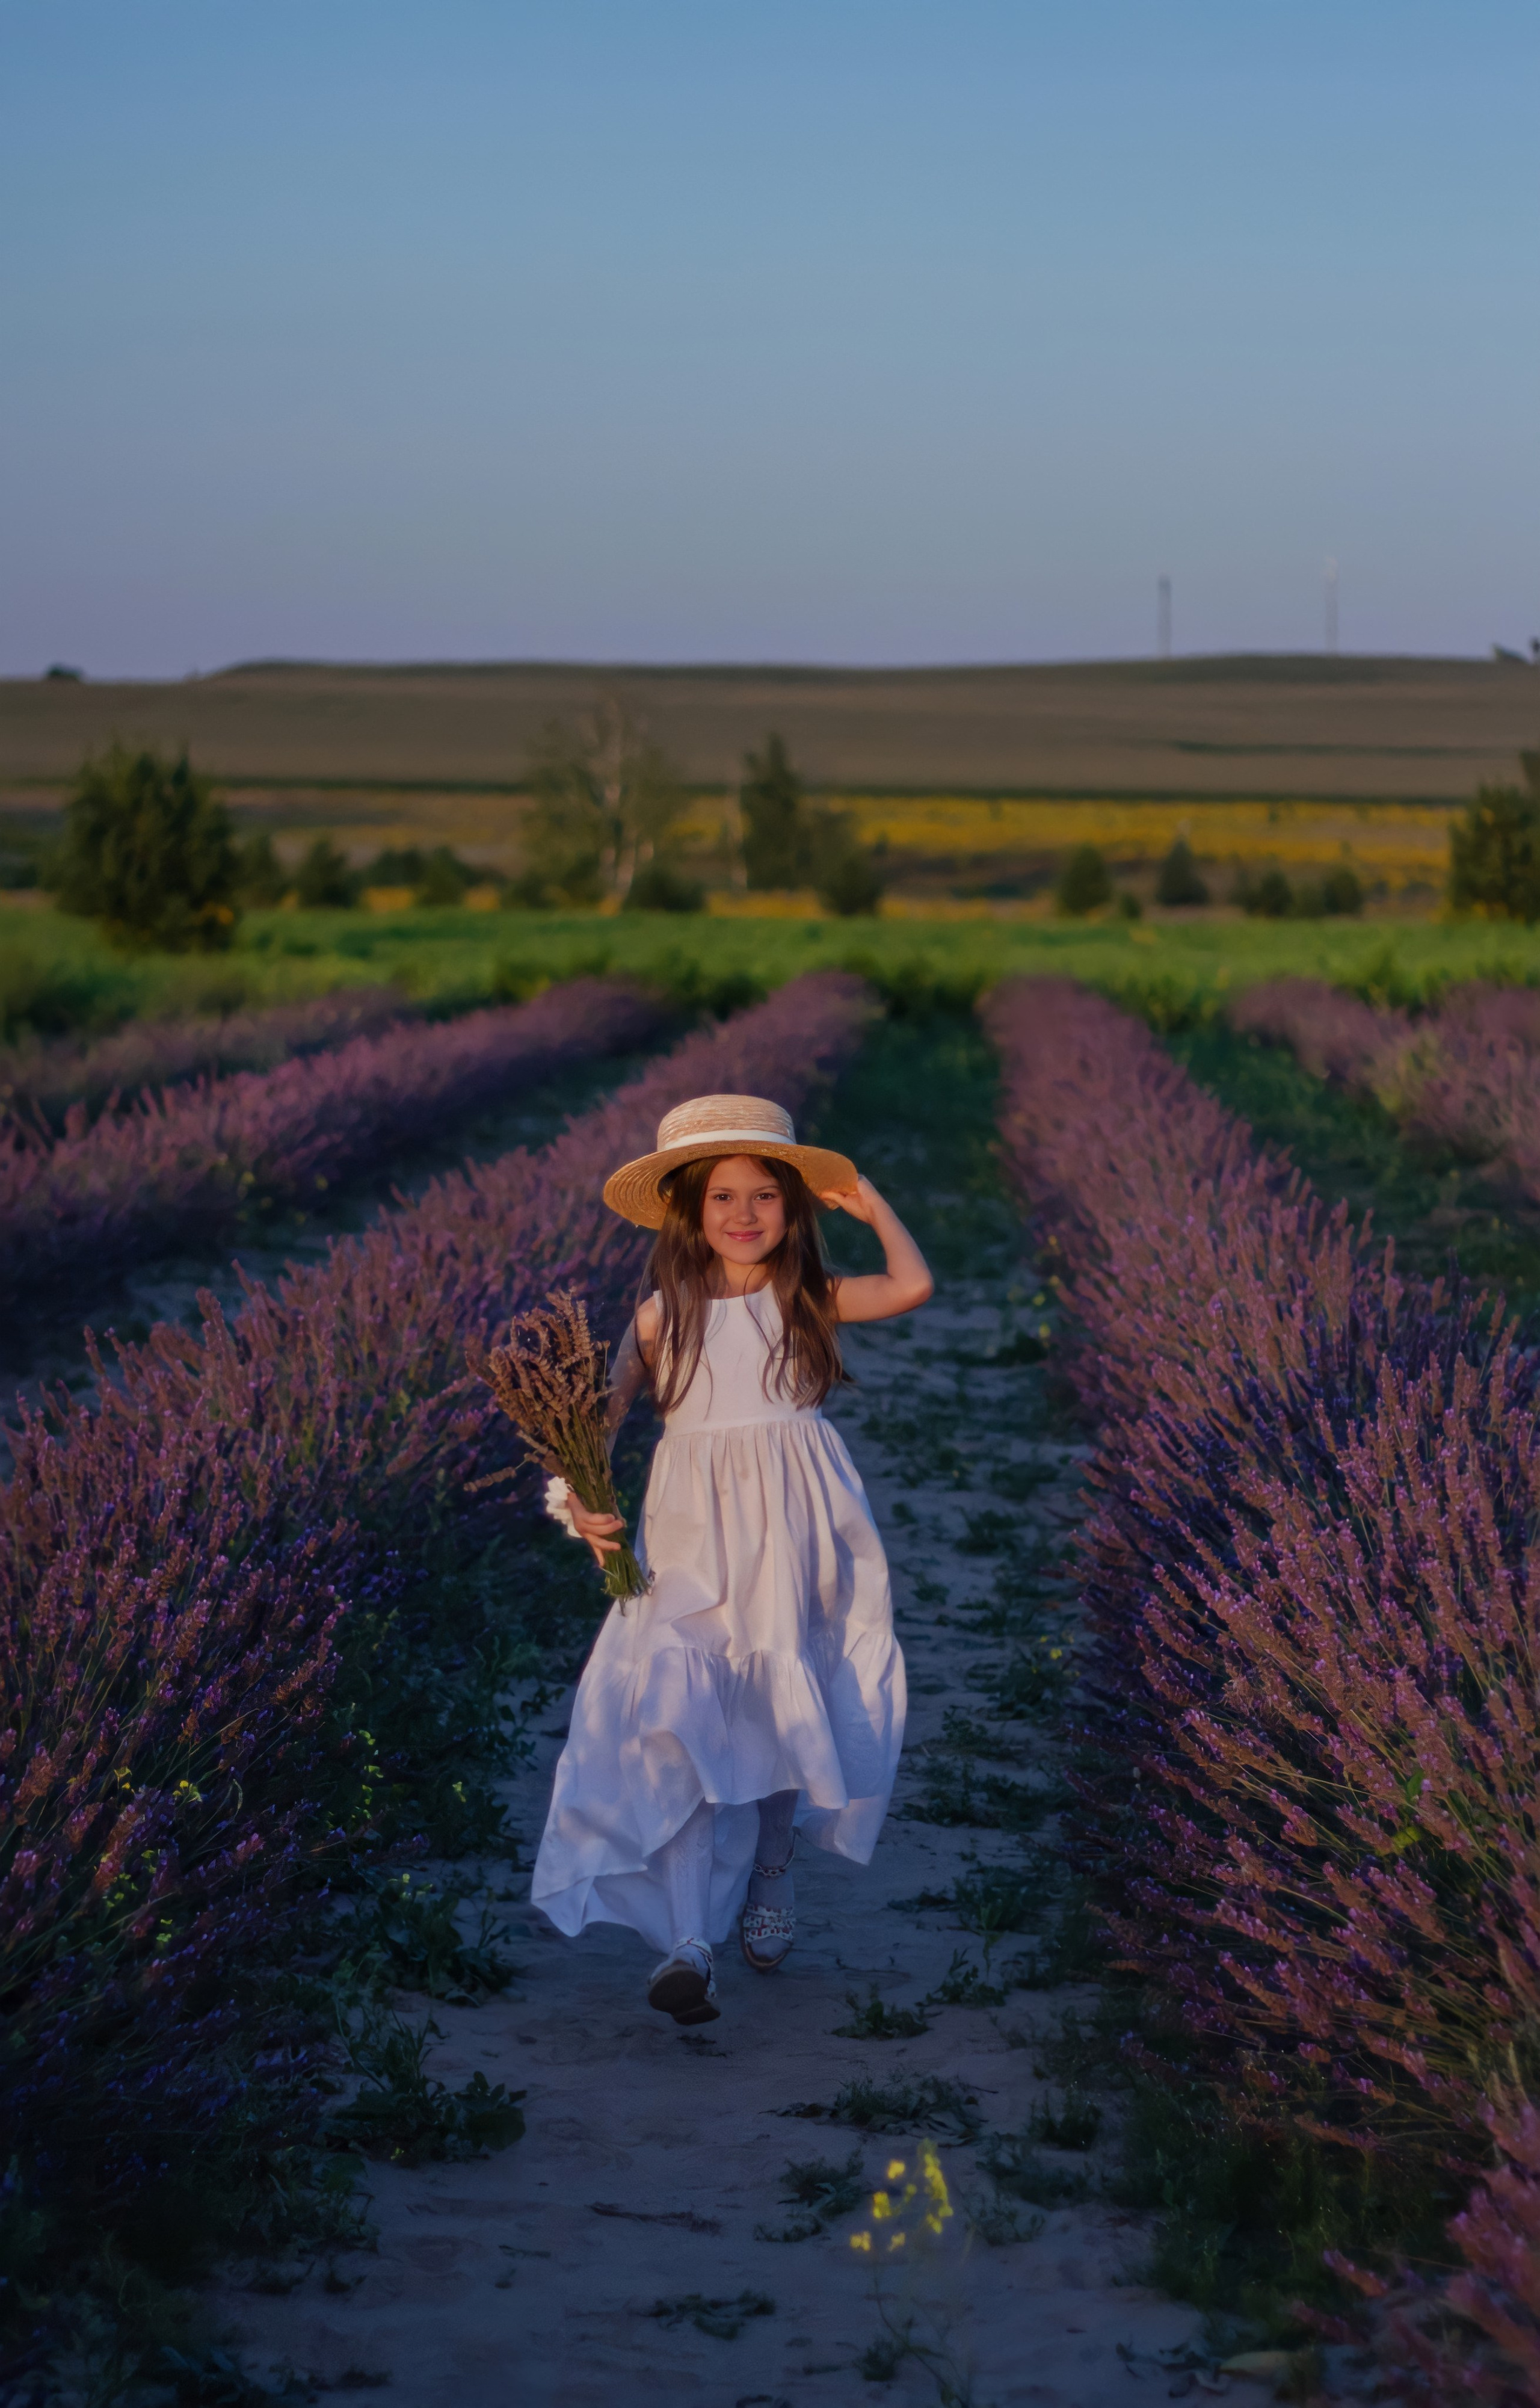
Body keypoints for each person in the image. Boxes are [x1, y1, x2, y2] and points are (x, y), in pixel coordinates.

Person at [529, 1091, 933, 2025]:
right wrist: (578, 1501)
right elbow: (592, 1430)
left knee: (780, 1697)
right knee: (681, 1714)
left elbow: (911, 1286)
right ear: (688, 1210)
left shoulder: (807, 1298)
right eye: (722, 1196)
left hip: (793, 1528)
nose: (744, 1214)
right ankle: (689, 1945)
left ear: (792, 1205)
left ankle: (773, 1862)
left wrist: (868, 1200)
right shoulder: (657, 1317)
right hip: (689, 1539)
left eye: (764, 1194)